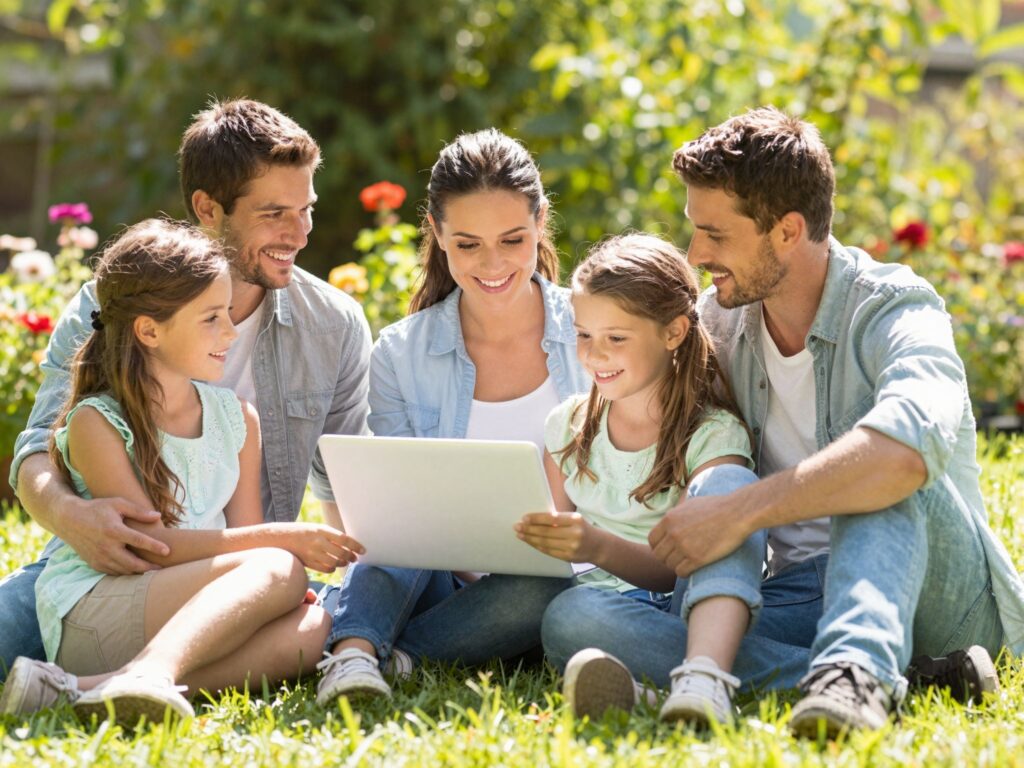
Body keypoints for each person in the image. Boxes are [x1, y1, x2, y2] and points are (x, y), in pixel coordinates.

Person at [552, 106, 1024, 736]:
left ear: (786, 230)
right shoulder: (719, 322)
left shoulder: (896, 311)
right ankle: (894, 680)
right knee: (577, 618)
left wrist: (741, 512)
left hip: (934, 594)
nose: (695, 254)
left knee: (876, 464)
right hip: (799, 593)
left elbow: (904, 456)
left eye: (715, 235)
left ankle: (854, 670)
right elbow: (639, 381)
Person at [0, 99, 372, 681]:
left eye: (306, 210)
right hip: (107, 575)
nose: (299, 234)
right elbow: (36, 452)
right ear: (207, 208)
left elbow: (348, 488)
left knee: (316, 626)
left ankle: (101, 688)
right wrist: (73, 517)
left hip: (235, 575)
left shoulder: (335, 324)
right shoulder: (116, 302)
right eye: (275, 212)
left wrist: (361, 595)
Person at [313, 128, 590, 707]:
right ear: (437, 234)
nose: (492, 265)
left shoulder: (594, 332)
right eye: (468, 245)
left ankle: (397, 653)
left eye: (512, 239)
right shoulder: (399, 353)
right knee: (391, 541)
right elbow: (396, 512)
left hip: (555, 580)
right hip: (432, 575)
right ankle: (353, 658)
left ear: (541, 224)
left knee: (544, 590)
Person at [515, 233, 768, 725]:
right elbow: (551, 539)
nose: (594, 355)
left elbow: (691, 570)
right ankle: (658, 694)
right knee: (556, 608)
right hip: (601, 606)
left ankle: (735, 675)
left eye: (616, 338)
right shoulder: (568, 427)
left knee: (573, 619)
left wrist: (597, 547)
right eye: (584, 335)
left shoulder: (712, 436)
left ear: (672, 333)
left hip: (681, 609)